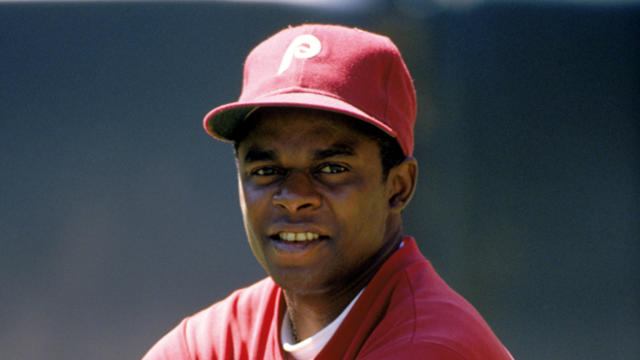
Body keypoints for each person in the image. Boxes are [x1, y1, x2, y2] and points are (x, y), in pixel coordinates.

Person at [142, 24, 513, 360]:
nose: (293, 195)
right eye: (266, 170)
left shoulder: (434, 344)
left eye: (332, 169)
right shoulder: (214, 343)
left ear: (398, 187)